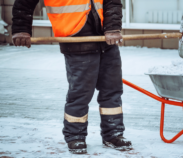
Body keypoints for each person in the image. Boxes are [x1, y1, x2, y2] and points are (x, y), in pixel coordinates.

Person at [11, 0, 132, 154]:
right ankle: (75, 136)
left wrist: (113, 27)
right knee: (81, 93)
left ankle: (113, 134)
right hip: (75, 38)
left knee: (112, 90)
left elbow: (112, 1)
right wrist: (21, 29)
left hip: (106, 40)